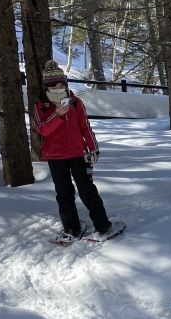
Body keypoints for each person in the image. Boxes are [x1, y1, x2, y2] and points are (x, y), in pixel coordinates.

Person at [34, 60, 113, 242]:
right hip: (55, 157)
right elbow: (42, 129)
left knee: (87, 190)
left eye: (61, 85)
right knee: (64, 193)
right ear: (47, 86)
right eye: (53, 86)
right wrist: (58, 115)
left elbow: (85, 126)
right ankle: (71, 227)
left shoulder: (76, 103)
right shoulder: (41, 106)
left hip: (79, 154)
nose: (57, 88)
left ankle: (103, 225)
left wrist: (93, 147)